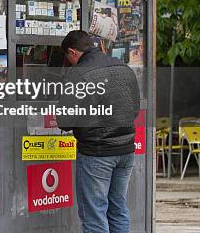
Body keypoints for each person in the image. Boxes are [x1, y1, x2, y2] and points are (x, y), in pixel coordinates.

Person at [57, 30, 139, 233]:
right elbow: (134, 108)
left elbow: (65, 121)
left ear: (72, 52)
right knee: (118, 210)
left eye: (67, 59)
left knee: (94, 215)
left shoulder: (79, 75)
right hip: (126, 151)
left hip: (97, 154)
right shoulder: (124, 68)